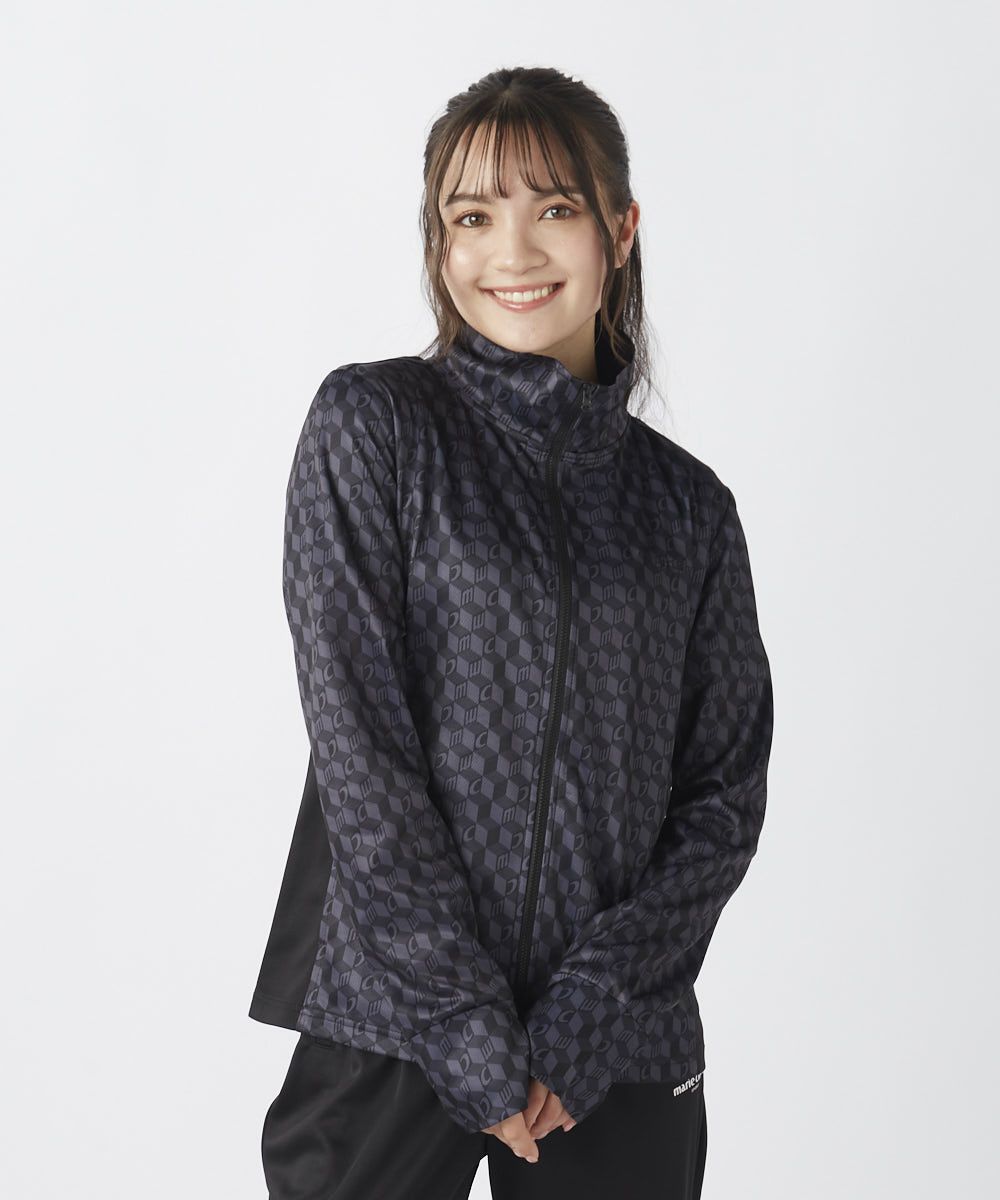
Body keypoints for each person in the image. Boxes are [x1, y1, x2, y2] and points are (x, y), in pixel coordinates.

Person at [250, 65, 774, 1200]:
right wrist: (456, 1013)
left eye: (555, 208)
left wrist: (595, 1006)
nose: (514, 252)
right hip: (391, 1014)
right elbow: (359, 747)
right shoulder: (376, 428)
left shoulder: (689, 510)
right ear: (439, 245)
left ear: (619, 231)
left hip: (615, 1044)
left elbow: (723, 797)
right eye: (473, 216)